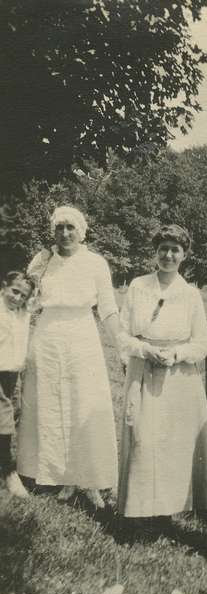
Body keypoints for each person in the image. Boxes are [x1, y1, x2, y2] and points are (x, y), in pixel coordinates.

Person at [17, 206, 120, 508]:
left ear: (81, 230)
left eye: (70, 228)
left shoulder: (95, 263)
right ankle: (58, 477)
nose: (64, 234)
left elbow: (108, 307)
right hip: (47, 336)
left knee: (83, 403)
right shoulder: (42, 261)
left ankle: (87, 479)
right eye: (59, 227)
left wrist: (123, 345)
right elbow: (26, 302)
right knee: (48, 404)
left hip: (81, 336)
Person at [117, 223, 207, 522]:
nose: (168, 255)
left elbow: (202, 343)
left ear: (184, 255)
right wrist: (144, 350)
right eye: (163, 249)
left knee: (174, 442)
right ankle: (139, 510)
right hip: (143, 369)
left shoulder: (190, 294)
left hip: (178, 376)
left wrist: (176, 354)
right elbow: (121, 334)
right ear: (155, 252)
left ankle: (169, 512)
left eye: (175, 250)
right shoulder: (138, 286)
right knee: (143, 439)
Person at [0, 271, 35, 498]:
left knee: (12, 415)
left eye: (23, 296)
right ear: (3, 286)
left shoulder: (23, 313)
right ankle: (9, 471)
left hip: (12, 373)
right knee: (4, 419)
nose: (17, 298)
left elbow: (35, 300)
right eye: (14, 291)